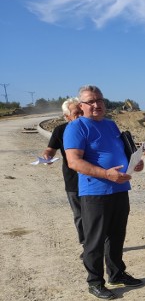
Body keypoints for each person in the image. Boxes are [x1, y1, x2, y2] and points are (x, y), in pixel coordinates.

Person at [64, 85, 144, 300]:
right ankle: (95, 281)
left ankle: (117, 273)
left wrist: (133, 164)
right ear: (82, 105)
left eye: (99, 100)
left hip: (119, 188)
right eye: (90, 101)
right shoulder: (76, 127)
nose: (96, 104)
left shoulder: (111, 125)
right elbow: (74, 161)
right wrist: (106, 174)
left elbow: (120, 152)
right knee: (95, 240)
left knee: (117, 236)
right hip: (95, 191)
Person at [41, 98, 84, 252]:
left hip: (95, 179)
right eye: (76, 113)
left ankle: (99, 244)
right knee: (79, 215)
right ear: (67, 116)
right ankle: (87, 246)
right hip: (73, 181)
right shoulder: (60, 130)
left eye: (81, 111)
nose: (80, 115)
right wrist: (47, 156)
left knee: (97, 215)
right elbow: (50, 149)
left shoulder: (91, 127)